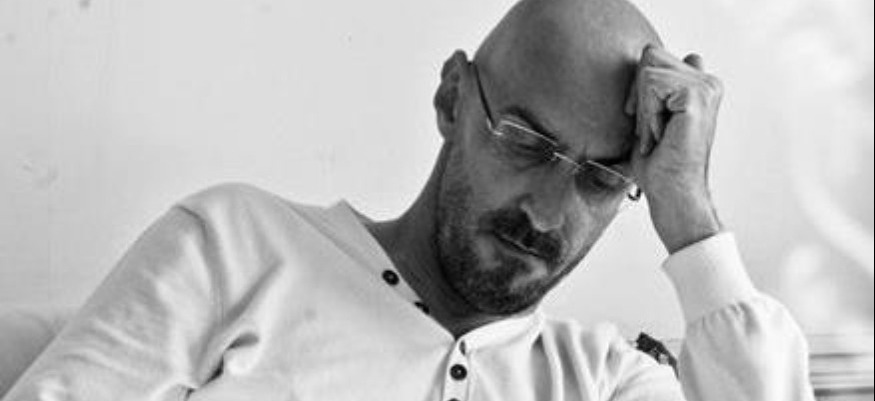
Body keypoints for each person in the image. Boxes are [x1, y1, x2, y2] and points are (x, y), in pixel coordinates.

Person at [2, 0, 816, 399]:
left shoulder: (602, 380)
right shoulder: (234, 246)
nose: (545, 211)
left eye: (600, 177)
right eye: (525, 141)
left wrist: (689, 214)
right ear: (451, 97)